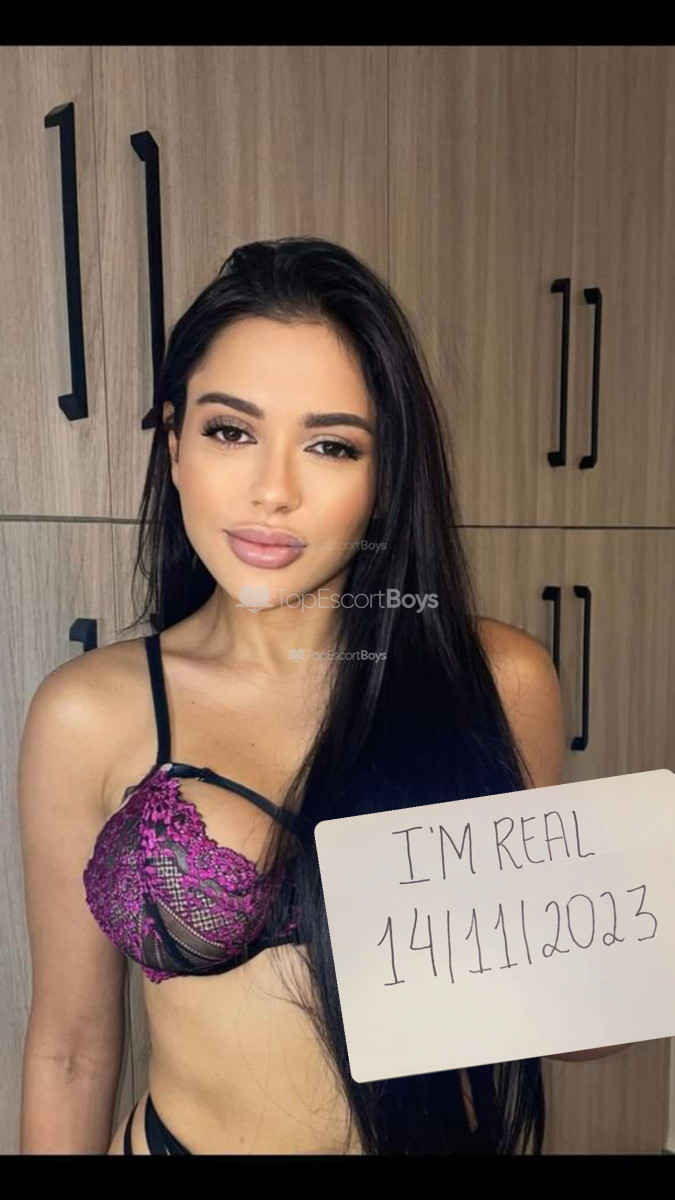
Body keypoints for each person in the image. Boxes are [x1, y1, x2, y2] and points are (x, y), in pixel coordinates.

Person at [19, 236, 571, 1155]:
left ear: (383, 479)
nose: (271, 491)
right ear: (175, 444)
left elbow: (561, 1011)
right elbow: (70, 1052)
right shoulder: (90, 713)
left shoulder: (498, 681)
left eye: (329, 445)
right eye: (231, 431)